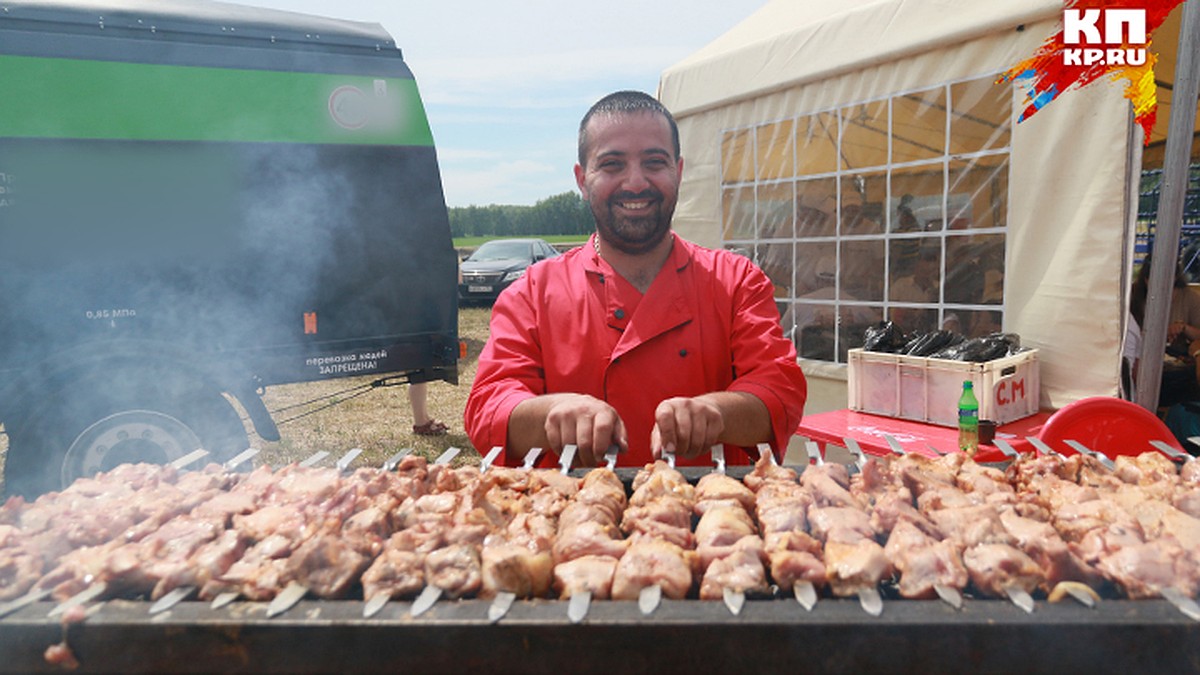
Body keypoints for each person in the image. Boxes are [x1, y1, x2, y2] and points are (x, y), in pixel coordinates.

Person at [464, 91, 807, 468]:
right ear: (582, 179)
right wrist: (552, 412)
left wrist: (715, 411)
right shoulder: (532, 292)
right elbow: (488, 407)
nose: (636, 182)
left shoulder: (736, 281)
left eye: (654, 162)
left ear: (678, 170)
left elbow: (779, 390)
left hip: (710, 515)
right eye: (612, 165)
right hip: (568, 515)